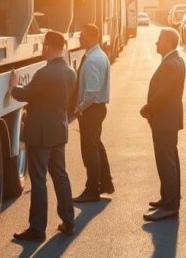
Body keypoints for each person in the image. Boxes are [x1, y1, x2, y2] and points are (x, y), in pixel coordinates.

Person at [9, 30, 77, 241]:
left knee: (38, 181)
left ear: (48, 47)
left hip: (40, 135)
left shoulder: (45, 73)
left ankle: (37, 229)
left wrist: (13, 86)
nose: (41, 47)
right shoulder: (70, 72)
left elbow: (24, 93)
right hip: (58, 131)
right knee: (61, 176)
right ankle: (68, 220)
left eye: (43, 44)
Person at [141, 27, 185, 221]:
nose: (156, 42)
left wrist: (147, 108)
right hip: (168, 120)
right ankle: (169, 198)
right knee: (169, 161)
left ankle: (170, 206)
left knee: (166, 162)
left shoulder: (170, 64)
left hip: (165, 121)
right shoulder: (174, 60)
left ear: (167, 42)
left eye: (159, 39)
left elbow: (164, 94)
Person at [73, 23, 114, 203]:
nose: (79, 38)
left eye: (82, 35)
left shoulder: (92, 59)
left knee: (90, 151)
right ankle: (105, 183)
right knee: (96, 146)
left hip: (92, 109)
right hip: (96, 109)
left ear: (91, 37)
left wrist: (80, 107)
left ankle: (92, 190)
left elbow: (92, 90)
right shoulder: (97, 55)